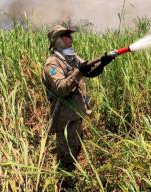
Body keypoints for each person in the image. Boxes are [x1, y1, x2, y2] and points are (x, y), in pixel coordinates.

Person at [42, 25, 114, 186]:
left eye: (70, 35)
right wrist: (78, 71)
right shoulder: (52, 64)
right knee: (66, 154)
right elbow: (61, 88)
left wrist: (103, 63)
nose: (70, 38)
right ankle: (64, 184)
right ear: (57, 40)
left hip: (77, 113)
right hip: (64, 117)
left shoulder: (72, 57)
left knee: (76, 148)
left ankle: (70, 179)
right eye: (66, 35)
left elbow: (89, 71)